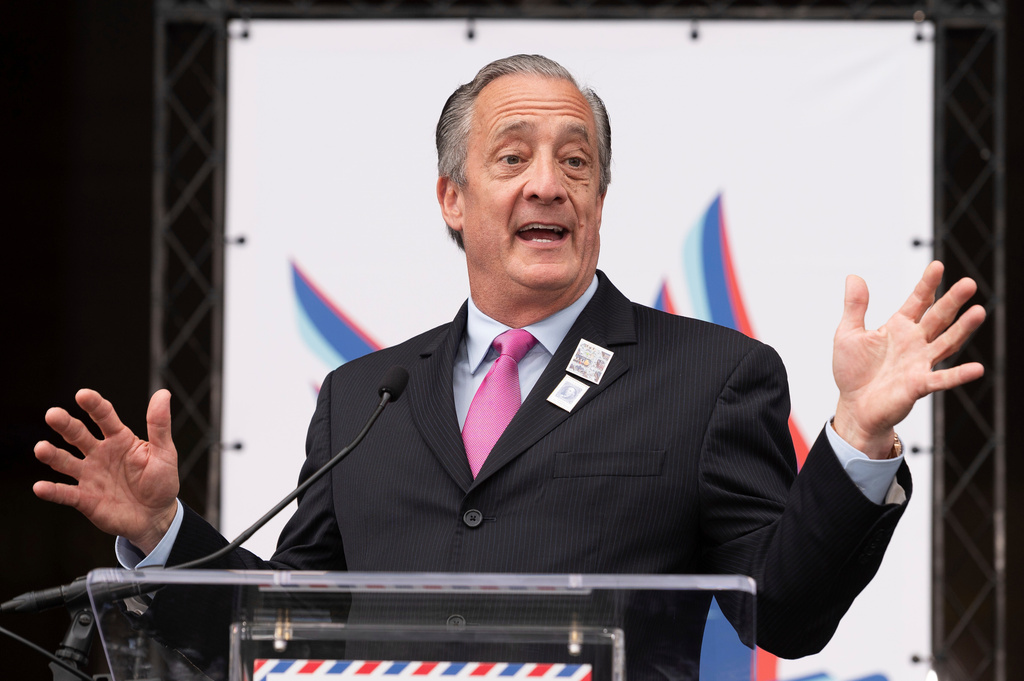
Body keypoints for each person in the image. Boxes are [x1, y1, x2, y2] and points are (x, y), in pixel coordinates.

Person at [32, 55, 985, 670]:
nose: (549, 182)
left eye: (577, 163)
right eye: (514, 156)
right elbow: (288, 632)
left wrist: (859, 433)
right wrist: (164, 533)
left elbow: (786, 610)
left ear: (601, 200)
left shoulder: (711, 377)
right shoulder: (365, 395)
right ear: (452, 199)